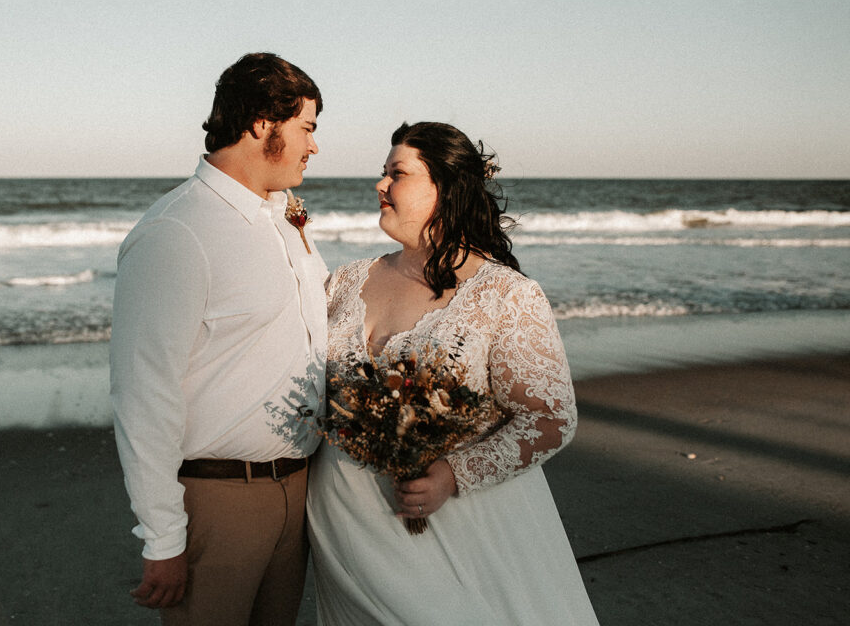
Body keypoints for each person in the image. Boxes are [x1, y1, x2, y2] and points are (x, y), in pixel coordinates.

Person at [306, 121, 600, 624]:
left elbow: (550, 418)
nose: (379, 185)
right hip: (342, 527)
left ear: (446, 190)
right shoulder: (346, 282)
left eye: (396, 173)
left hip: (446, 524)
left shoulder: (504, 295)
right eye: (383, 172)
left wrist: (451, 475)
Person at [110, 52, 328, 625]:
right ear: (263, 124)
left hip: (299, 490)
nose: (313, 146)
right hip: (220, 500)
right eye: (306, 128)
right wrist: (163, 537)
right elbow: (143, 393)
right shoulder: (177, 232)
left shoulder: (283, 220)